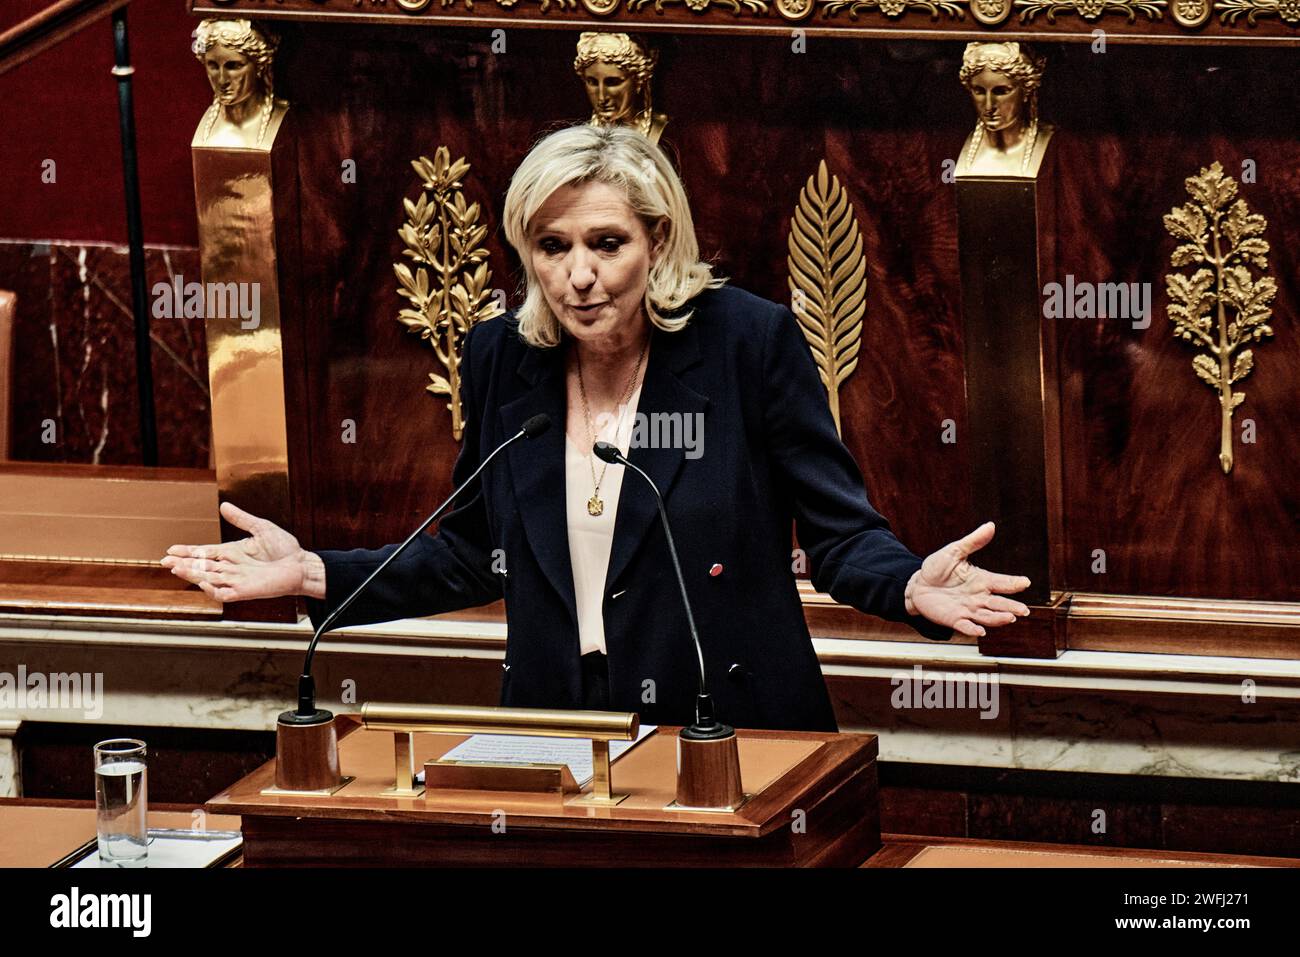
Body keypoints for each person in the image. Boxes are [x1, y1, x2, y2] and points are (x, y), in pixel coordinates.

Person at [163, 124, 1031, 732]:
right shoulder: (504, 355)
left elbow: (840, 536)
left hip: (730, 729)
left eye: (605, 243)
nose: (577, 275)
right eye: (551, 245)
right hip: (557, 733)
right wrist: (312, 572)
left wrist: (909, 587)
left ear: (657, 241)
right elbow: (470, 550)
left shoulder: (746, 343)